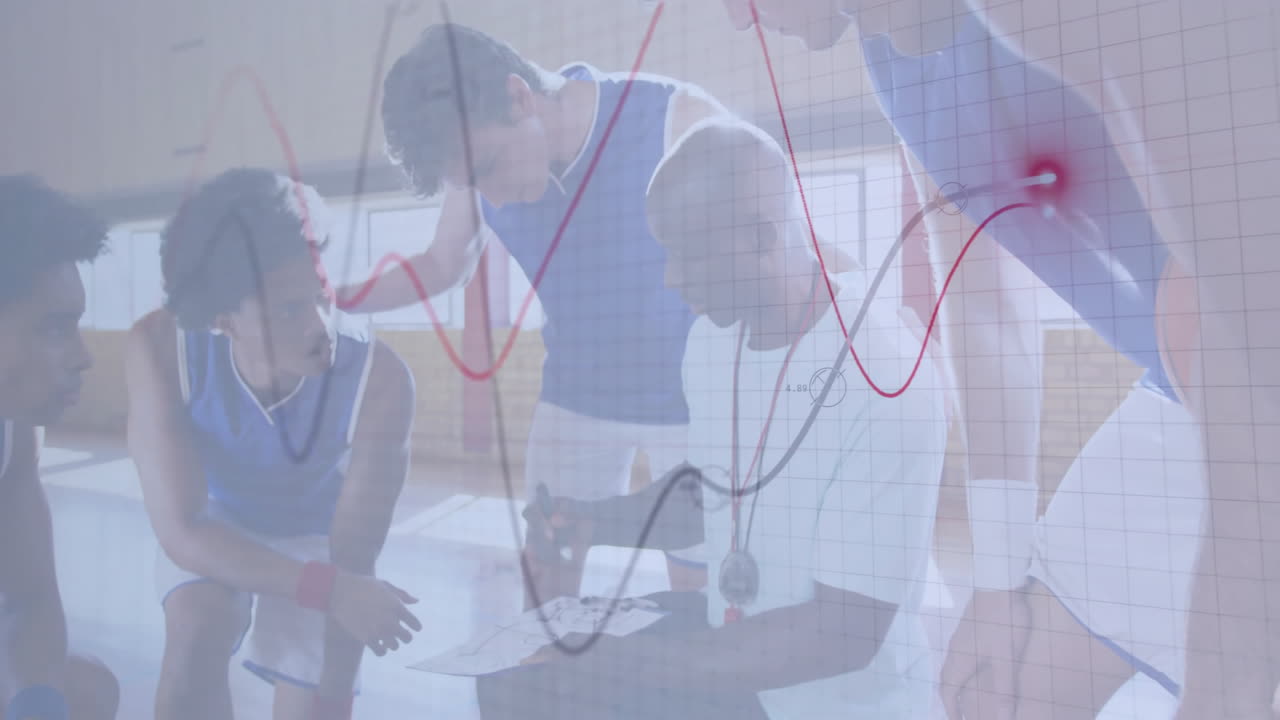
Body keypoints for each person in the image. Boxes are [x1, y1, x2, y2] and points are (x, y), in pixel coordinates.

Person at [718, 0, 1233, 717]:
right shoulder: (893, 50)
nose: (739, 22)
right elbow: (986, 299)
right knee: (999, 694)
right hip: (1189, 390)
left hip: (1245, 386)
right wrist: (996, 583)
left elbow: (1225, 290)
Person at [477, 116, 950, 719]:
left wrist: (626, 666)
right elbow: (712, 495)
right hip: (730, 643)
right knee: (516, 686)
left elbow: (845, 633)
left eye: (690, 254)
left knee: (577, 689)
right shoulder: (710, 341)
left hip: (833, 695)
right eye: (665, 253)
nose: (672, 279)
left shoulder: (883, 372)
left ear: (761, 237)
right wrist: (595, 521)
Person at [347, 22, 753, 600]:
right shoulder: (474, 168)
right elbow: (442, 263)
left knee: (697, 599)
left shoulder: (678, 120)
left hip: (694, 405)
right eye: (469, 182)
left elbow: (774, 245)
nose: (491, 197)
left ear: (519, 97)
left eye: (488, 166)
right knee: (546, 586)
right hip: (575, 404)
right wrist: (331, 297)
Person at [125, 168, 423, 720]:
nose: (320, 325)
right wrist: (325, 590)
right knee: (193, 636)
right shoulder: (159, 350)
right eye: (288, 309)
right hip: (217, 522)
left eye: (321, 295)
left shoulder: (379, 380)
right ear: (222, 321)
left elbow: (354, 556)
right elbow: (183, 530)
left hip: (320, 537)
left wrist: (335, 685)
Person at [0, 175, 120, 719]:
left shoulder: (14, 429)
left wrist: (38, 704)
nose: (82, 356)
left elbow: (32, 600)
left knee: (88, 691)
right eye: (53, 329)